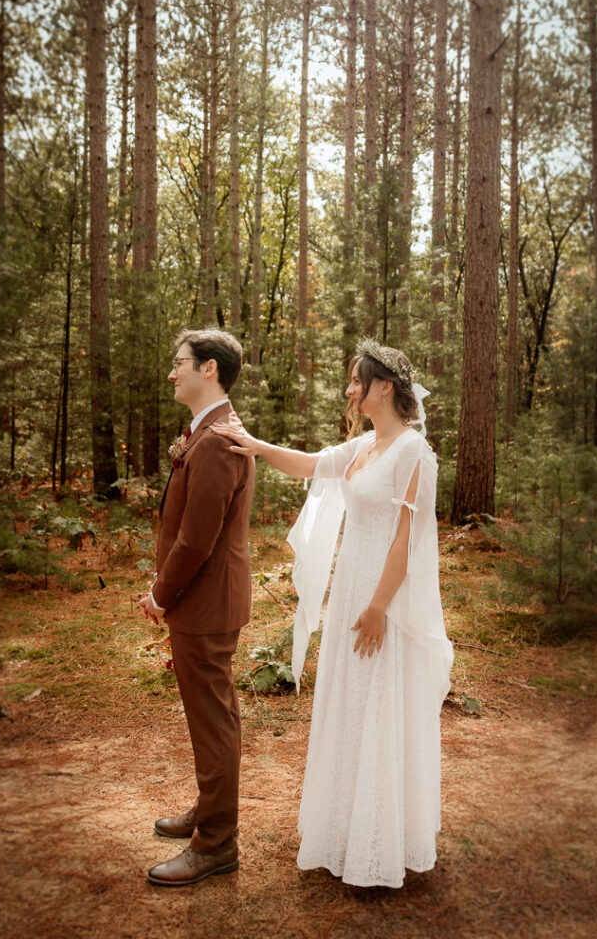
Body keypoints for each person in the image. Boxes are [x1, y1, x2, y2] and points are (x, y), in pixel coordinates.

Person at [212, 337, 453, 889]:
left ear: (384, 387)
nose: (349, 390)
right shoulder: (365, 445)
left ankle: (380, 844)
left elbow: (406, 542)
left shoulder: (413, 452)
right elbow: (309, 465)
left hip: (381, 600)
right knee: (349, 705)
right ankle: (345, 831)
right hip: (351, 588)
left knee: (377, 707)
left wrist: (378, 609)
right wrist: (249, 443)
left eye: (355, 381)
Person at [139, 328, 255, 887]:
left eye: (178, 362)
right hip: (205, 602)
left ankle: (216, 844)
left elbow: (196, 540)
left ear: (209, 369)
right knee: (211, 716)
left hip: (204, 604)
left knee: (213, 722)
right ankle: (209, 814)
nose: (171, 372)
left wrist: (160, 595)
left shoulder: (216, 440)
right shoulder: (204, 432)